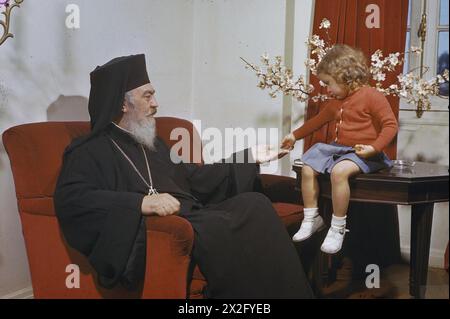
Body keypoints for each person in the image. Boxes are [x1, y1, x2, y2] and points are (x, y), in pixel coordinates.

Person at [54, 54, 314, 299]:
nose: (156, 104)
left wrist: (250, 156)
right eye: (148, 96)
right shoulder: (88, 151)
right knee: (220, 229)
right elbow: (73, 199)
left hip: (191, 213)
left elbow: (193, 177)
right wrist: (140, 204)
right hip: (167, 225)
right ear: (123, 103)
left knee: (254, 204)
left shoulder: (150, 141)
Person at [280, 44, 398, 255]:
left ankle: (337, 227)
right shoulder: (336, 103)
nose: (326, 88)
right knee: (307, 166)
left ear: (345, 77)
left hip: (366, 152)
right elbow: (316, 122)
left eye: (328, 83)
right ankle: (312, 218)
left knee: (339, 172)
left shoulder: (372, 96)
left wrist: (373, 148)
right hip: (340, 149)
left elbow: (391, 126)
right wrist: (293, 136)